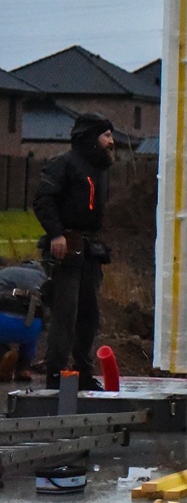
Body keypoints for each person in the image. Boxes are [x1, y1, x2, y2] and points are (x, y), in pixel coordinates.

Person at [32, 112, 116, 390]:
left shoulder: (101, 169)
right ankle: (56, 373)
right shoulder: (64, 164)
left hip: (88, 250)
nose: (111, 141)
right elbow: (43, 199)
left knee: (89, 315)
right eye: (106, 135)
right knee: (65, 313)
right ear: (92, 137)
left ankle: (83, 371)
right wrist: (56, 234)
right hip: (64, 250)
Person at [0, 262, 47, 381]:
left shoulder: (6, 272)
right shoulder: (43, 278)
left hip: (4, 323)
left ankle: (3, 355)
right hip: (31, 327)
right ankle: (23, 369)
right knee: (33, 323)